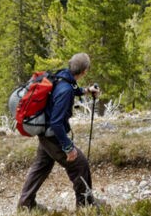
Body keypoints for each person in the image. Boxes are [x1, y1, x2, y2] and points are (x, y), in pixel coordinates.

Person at [17, 52, 101, 211]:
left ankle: (25, 204)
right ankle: (86, 208)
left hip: (44, 132)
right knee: (80, 165)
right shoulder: (66, 91)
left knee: (42, 165)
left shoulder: (63, 75)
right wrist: (68, 148)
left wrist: (86, 90)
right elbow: (56, 123)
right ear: (84, 71)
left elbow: (73, 86)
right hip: (52, 135)